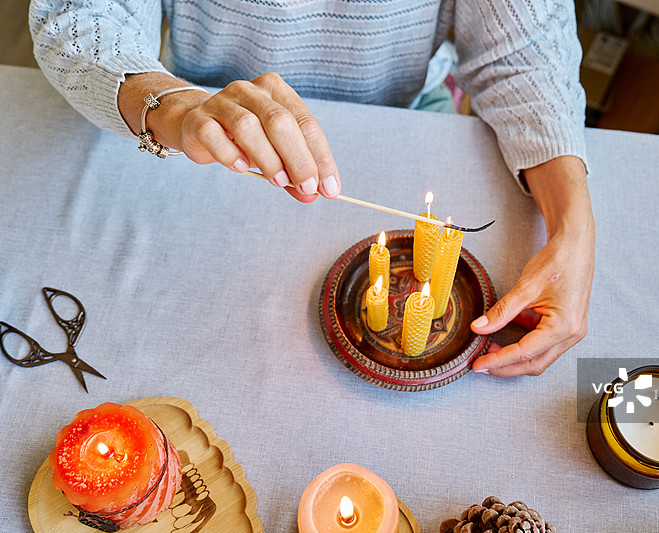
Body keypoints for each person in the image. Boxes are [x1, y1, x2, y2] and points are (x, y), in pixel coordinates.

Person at [29, 0, 595, 377]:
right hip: (205, 140)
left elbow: (524, 54)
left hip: (405, 113)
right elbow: (78, 16)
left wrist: (573, 227)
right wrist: (169, 104)